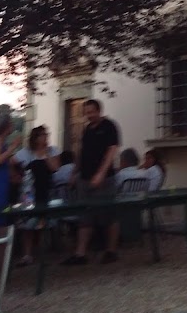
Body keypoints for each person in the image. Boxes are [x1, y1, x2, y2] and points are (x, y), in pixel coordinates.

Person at [61, 98, 120, 265]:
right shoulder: (87, 129)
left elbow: (112, 151)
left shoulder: (109, 126)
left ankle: (111, 251)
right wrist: (74, 173)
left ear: (99, 111)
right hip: (84, 179)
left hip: (105, 179)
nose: (89, 115)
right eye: (86, 113)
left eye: (91, 112)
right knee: (84, 215)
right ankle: (81, 253)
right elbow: (82, 152)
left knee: (109, 214)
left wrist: (101, 173)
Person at [17, 126, 59, 267]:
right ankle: (27, 254)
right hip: (30, 191)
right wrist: (18, 177)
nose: (46, 137)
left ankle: (42, 254)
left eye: (46, 134)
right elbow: (12, 163)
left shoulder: (53, 151)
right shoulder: (26, 153)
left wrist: (46, 154)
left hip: (46, 190)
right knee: (28, 223)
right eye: (43, 135)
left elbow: (55, 167)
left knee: (43, 223)